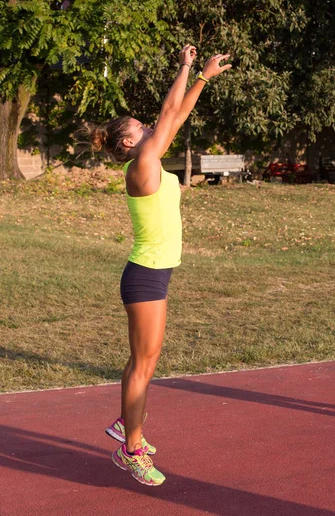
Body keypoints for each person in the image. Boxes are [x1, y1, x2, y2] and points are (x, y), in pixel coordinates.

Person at [89, 44, 232, 486]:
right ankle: (131, 449)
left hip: (153, 273)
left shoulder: (148, 159)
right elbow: (172, 111)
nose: (151, 126)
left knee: (145, 362)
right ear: (129, 143)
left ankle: (125, 428)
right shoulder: (142, 166)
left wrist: (203, 78)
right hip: (145, 275)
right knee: (143, 364)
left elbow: (176, 115)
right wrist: (191, 68)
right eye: (141, 126)